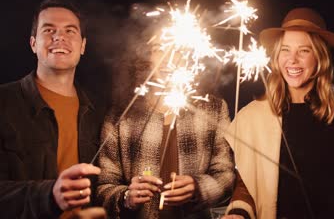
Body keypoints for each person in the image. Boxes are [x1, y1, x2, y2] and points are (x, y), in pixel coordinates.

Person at [224, 7, 334, 219]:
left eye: (304, 50)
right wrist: (238, 212)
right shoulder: (252, 117)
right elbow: (246, 183)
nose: (292, 60)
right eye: (285, 49)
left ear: (320, 56)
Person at [95, 47, 235, 218]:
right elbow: (103, 186)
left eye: (177, 50)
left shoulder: (214, 109)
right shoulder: (121, 115)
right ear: (146, 57)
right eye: (159, 49)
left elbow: (227, 174)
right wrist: (126, 197)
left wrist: (198, 188)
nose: (168, 58)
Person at [0, 0, 104, 218]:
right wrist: (49, 196)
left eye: (70, 31)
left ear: (83, 46)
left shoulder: (100, 113)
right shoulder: (4, 103)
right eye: (48, 30)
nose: (59, 37)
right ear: (33, 43)